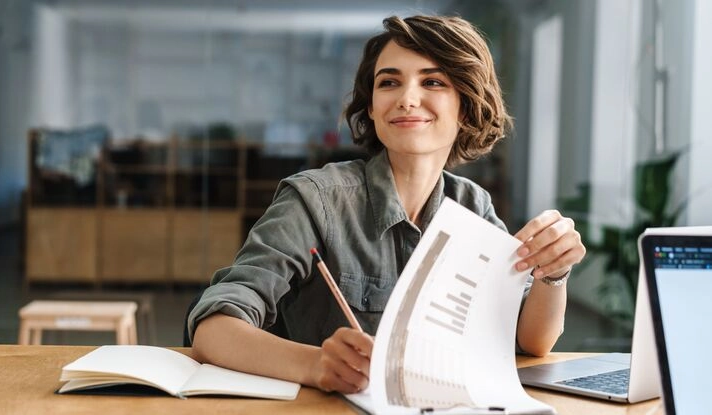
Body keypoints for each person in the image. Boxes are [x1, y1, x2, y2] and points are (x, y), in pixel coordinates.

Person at [189, 15, 586, 394]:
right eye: (389, 83)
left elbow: (529, 341)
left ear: (465, 105)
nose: (407, 99)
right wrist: (315, 365)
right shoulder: (314, 199)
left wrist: (553, 273)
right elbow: (213, 329)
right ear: (373, 107)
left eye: (432, 81)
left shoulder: (472, 205)